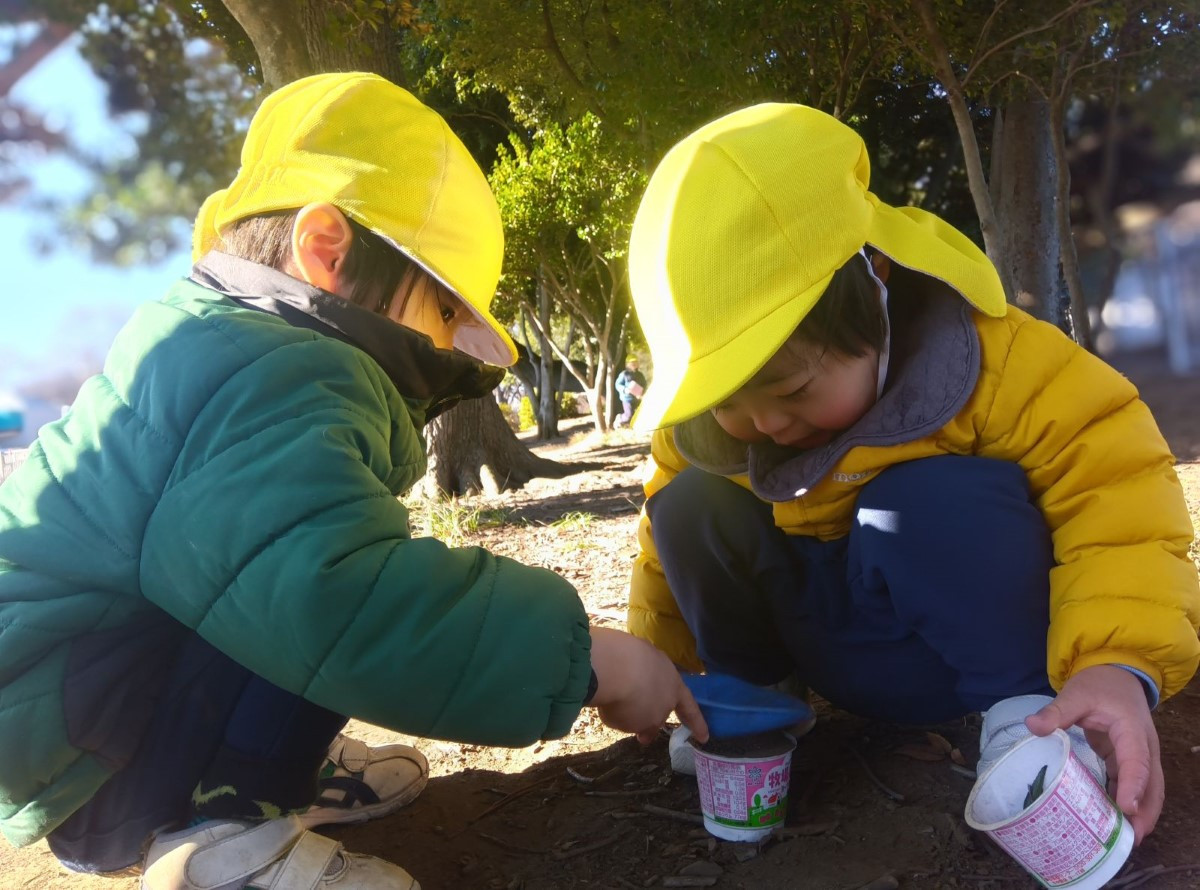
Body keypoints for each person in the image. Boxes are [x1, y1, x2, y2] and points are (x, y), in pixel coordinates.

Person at [0, 72, 707, 890]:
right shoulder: (279, 369)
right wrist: (588, 665)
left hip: (70, 720)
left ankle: (270, 763)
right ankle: (218, 829)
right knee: (313, 572)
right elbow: (324, 593)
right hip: (100, 760)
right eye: (444, 310)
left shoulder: (221, 343)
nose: (446, 344)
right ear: (327, 251)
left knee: (291, 546)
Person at [623, 102, 1200, 845]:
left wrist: (1119, 663)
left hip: (964, 655)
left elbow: (1116, 489)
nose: (765, 425)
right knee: (689, 503)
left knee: (922, 501)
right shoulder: (708, 426)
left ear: (876, 282)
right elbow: (658, 550)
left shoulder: (999, 362)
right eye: (732, 401)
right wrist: (662, 666)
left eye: (794, 391)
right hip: (820, 641)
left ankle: (1023, 724)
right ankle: (749, 703)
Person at [614, 358, 648, 428]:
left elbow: (644, 384)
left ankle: (632, 425)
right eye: (632, 363)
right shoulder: (624, 374)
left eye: (635, 363)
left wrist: (642, 392)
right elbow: (618, 384)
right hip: (627, 399)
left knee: (637, 413)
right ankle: (620, 418)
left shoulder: (640, 375)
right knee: (628, 415)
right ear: (628, 364)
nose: (634, 365)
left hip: (637, 398)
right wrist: (625, 389)